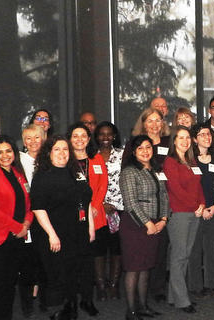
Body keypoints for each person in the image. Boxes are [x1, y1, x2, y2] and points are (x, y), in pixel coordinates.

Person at [29, 135, 93, 319]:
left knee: (74, 271)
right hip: (55, 233)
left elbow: (86, 200)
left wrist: (89, 227)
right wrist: (52, 235)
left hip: (77, 232)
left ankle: (70, 308)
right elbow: (38, 208)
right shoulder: (42, 177)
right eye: (57, 149)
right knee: (60, 273)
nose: (62, 153)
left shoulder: (75, 172)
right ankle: (62, 309)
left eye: (65, 149)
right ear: (48, 152)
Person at [0, 135, 36, 320]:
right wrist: (16, 226)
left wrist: (26, 223)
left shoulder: (18, 174)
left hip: (16, 238)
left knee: (10, 285)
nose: (5, 155)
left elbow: (28, 205)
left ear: (14, 152)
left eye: (8, 151)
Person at [118, 135, 168, 319]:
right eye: (140, 148)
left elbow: (163, 195)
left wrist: (163, 219)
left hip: (155, 223)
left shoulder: (156, 169)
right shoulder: (129, 172)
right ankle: (131, 311)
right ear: (133, 152)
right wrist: (148, 223)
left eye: (148, 147)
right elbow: (130, 203)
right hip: (135, 225)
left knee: (146, 266)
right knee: (133, 268)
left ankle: (143, 307)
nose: (145, 151)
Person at [162, 126, 205, 313]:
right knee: (179, 256)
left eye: (187, 137)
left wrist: (202, 204)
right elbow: (175, 190)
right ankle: (182, 300)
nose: (185, 141)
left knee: (184, 255)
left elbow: (199, 186)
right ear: (174, 141)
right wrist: (195, 206)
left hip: (194, 213)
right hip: (179, 214)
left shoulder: (192, 161)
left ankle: (174, 296)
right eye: (180, 137)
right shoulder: (170, 162)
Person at [67, 123, 105, 316]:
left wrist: (96, 207)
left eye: (84, 136)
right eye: (75, 136)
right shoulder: (64, 159)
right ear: (70, 138)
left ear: (89, 139)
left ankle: (87, 300)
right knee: (73, 262)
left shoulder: (96, 159)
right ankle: (71, 301)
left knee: (89, 262)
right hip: (71, 219)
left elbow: (102, 185)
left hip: (94, 217)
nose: (80, 139)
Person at [189, 123, 214, 298]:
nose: (206, 137)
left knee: (211, 250)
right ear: (194, 139)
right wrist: (199, 208)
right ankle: (195, 285)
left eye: (208, 134)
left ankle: (211, 284)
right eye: (202, 134)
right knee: (195, 250)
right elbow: (188, 187)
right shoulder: (190, 159)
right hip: (196, 211)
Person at [94, 122, 124, 300]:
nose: (105, 138)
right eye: (101, 134)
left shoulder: (122, 155)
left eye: (109, 134)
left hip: (118, 208)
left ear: (114, 136)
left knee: (116, 248)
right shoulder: (91, 156)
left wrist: (113, 204)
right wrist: (101, 204)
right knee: (98, 249)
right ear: (96, 137)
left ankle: (113, 285)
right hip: (97, 209)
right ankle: (100, 285)